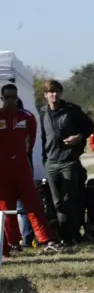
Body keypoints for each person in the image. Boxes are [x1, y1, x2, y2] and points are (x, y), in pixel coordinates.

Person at [0, 84, 58, 256]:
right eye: (7, 97)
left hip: (21, 165)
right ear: (2, 98)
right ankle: (11, 243)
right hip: (2, 169)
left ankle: (46, 240)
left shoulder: (27, 117)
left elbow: (30, 143)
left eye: (14, 97)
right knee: (5, 208)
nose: (11, 100)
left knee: (33, 204)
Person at [39, 79, 94, 245]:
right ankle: (63, 235)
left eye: (57, 91)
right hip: (51, 162)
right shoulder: (42, 113)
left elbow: (90, 127)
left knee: (68, 199)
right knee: (56, 202)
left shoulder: (71, 110)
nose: (54, 94)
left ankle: (71, 234)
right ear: (45, 95)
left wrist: (78, 137)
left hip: (68, 161)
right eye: (51, 91)